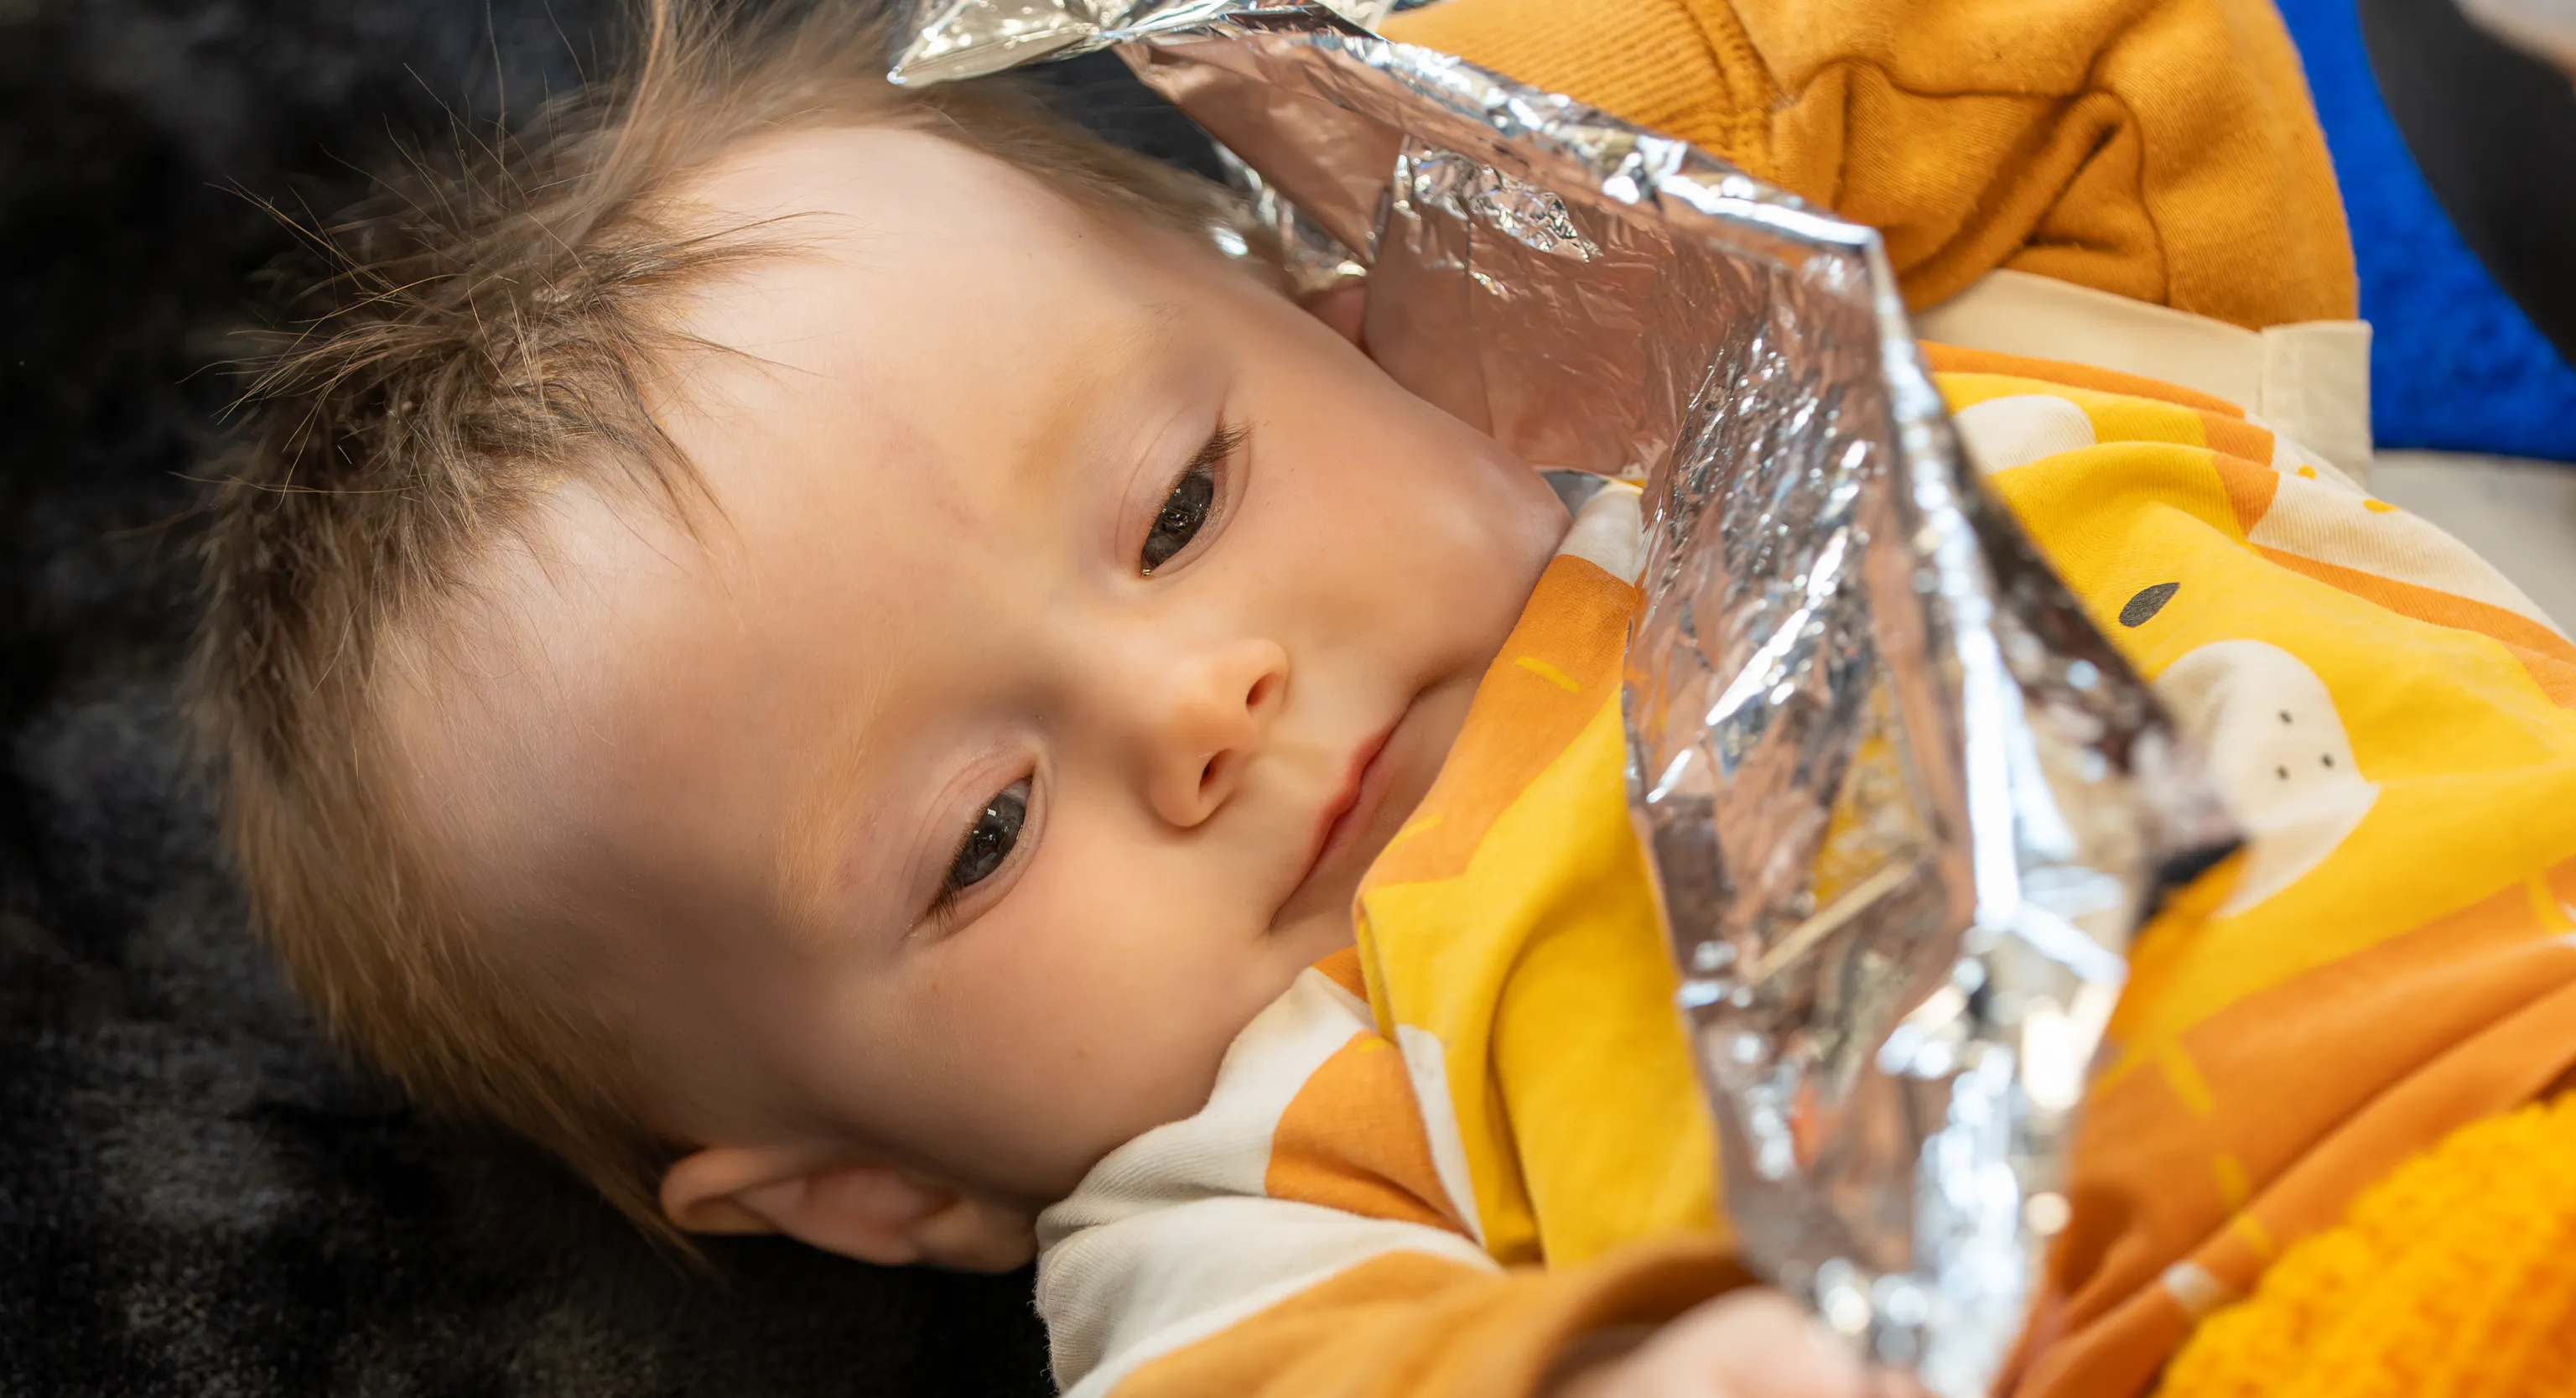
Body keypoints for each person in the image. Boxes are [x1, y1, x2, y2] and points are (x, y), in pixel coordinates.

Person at [192, 1, 2576, 1395]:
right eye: (983, 838)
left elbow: (2062, 62)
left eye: (1180, 499)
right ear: (871, 1187)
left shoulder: (1884, 356)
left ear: (1344, 320)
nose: (1199, 702)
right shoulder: (1239, 1185)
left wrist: (1536, 119)